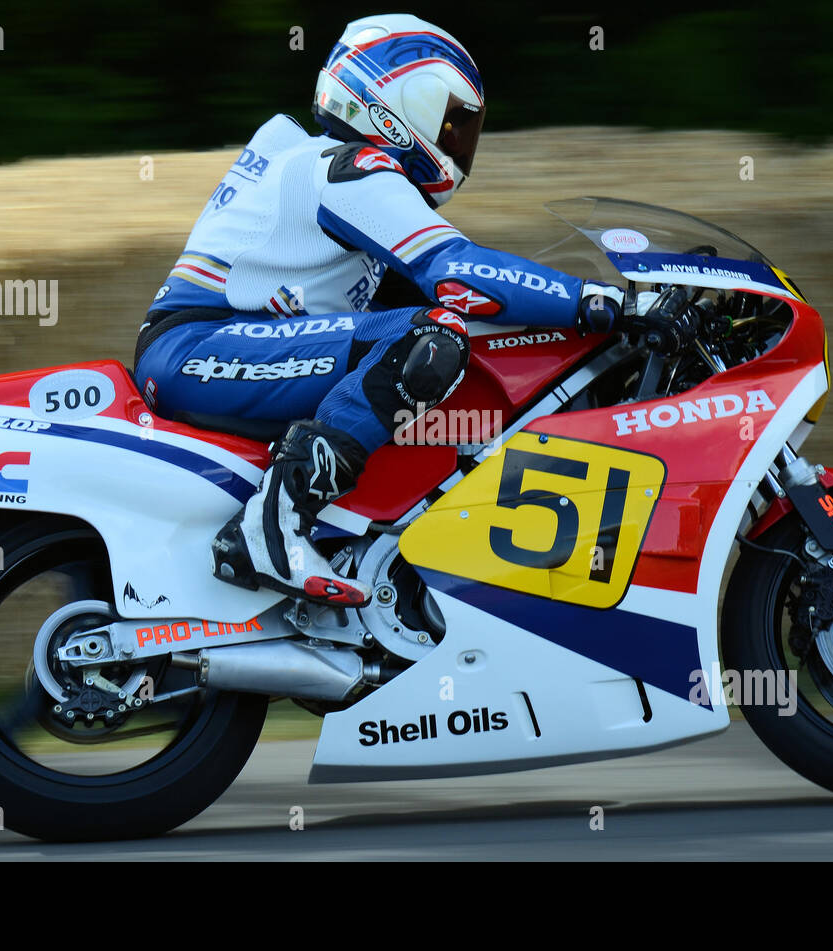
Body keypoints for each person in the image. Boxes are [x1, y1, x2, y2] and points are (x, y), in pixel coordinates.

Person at [135, 13, 626, 608]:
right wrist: (600, 303)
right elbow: (457, 270)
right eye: (450, 120)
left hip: (227, 345)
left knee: (446, 335)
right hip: (200, 347)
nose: (458, 142)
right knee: (430, 340)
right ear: (396, 101)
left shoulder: (344, 180)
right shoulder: (350, 168)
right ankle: (271, 527)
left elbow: (468, 293)